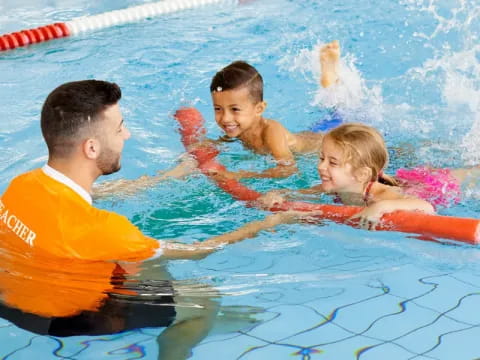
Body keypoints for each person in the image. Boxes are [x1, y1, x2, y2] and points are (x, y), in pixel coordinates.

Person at [0, 80, 296, 359]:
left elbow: (102, 194)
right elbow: (200, 249)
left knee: (147, 258)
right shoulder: (105, 229)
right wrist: (270, 222)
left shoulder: (22, 185)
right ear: (91, 148)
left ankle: (173, 315)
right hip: (60, 319)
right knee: (203, 296)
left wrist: (170, 175)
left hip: (12, 301)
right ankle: (190, 323)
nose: (126, 135)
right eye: (119, 129)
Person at [258, 122, 455, 229]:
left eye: (332, 162)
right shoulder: (335, 186)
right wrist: (278, 195)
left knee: (461, 175)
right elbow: (299, 193)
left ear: (361, 174)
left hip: (434, 186)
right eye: (321, 158)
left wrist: (382, 207)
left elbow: (426, 207)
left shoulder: (380, 196)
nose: (321, 167)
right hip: (396, 180)